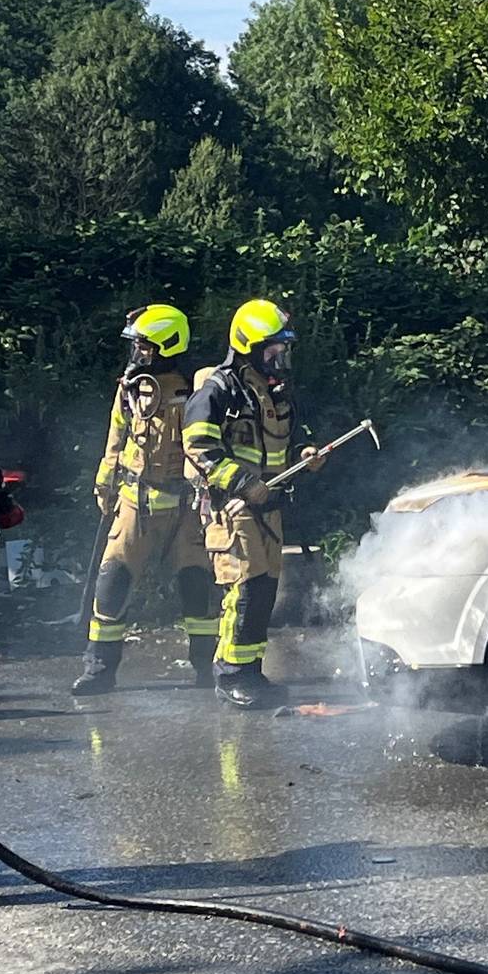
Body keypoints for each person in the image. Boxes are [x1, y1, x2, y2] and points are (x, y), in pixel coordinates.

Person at [70, 305, 219, 696]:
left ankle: (208, 669)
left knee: (197, 587)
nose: (137, 353)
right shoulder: (129, 389)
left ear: (167, 346)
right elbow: (114, 442)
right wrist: (104, 485)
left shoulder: (195, 391)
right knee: (112, 581)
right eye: (136, 346)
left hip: (185, 507)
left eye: (144, 346)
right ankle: (99, 671)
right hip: (135, 501)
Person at [182, 299, 319, 712]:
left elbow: (290, 437)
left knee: (262, 591)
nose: (280, 356)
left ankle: (251, 673)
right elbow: (198, 447)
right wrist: (242, 482)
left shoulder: (275, 391)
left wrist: (306, 453)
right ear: (249, 347)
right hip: (233, 508)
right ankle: (230, 675)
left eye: (283, 348)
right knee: (242, 590)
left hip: (269, 508)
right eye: (272, 348)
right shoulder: (219, 390)